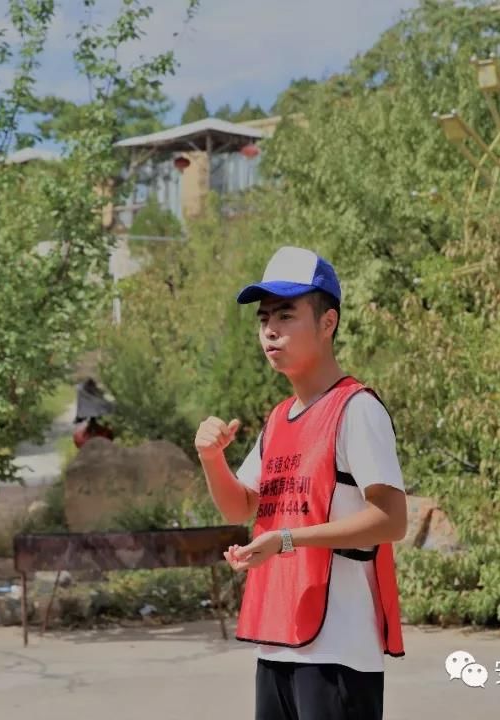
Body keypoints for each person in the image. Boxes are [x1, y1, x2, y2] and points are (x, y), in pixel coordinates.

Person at [194, 245, 407, 720]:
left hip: (339, 651)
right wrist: (211, 458)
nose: (270, 329)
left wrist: (286, 540)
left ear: (328, 322)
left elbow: (392, 521)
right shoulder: (279, 420)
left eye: (286, 315)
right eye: (264, 318)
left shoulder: (357, 409)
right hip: (278, 641)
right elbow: (240, 507)